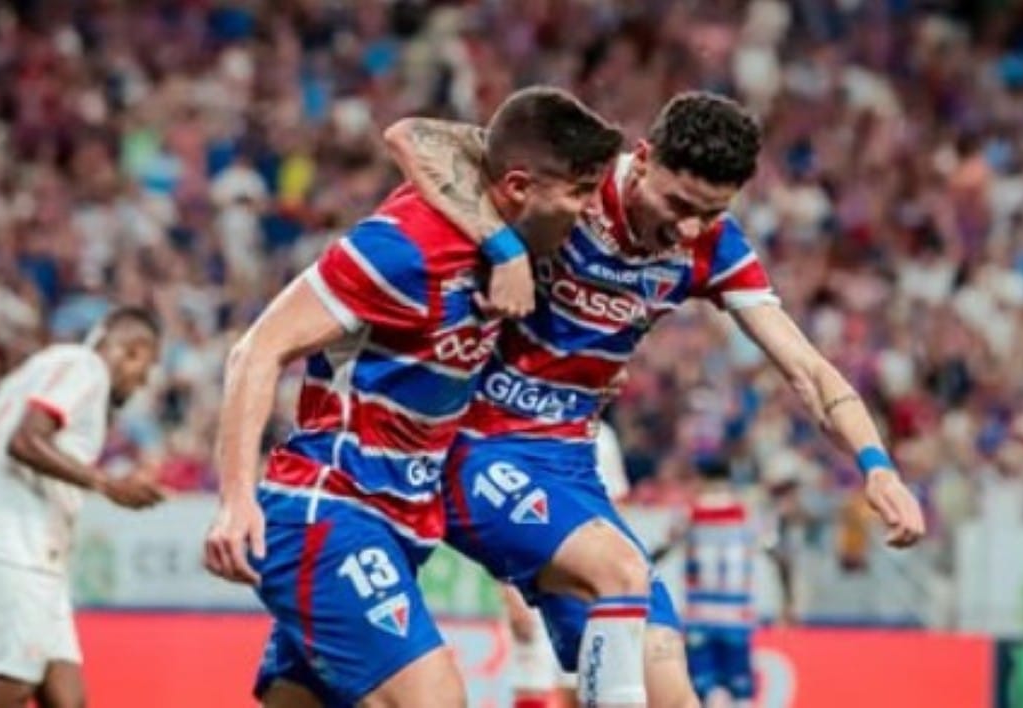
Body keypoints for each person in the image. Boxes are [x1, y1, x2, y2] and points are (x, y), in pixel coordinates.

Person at [384, 91, 925, 707]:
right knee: (621, 572)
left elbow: (807, 370)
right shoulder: (575, 178)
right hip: (473, 443)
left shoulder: (712, 247)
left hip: (569, 464)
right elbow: (411, 136)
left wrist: (876, 466)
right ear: (640, 160)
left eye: (711, 213)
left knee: (669, 691)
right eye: (679, 204)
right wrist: (504, 248)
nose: (688, 228)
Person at [201, 87, 623, 708]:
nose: (588, 212)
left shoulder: (512, 245)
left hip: (401, 524)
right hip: (331, 509)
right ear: (516, 186)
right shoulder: (404, 247)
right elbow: (256, 350)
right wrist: (237, 499)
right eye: (579, 193)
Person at [0, 306, 165, 708]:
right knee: (8, 689)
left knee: (67, 700)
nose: (142, 382)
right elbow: (24, 441)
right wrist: (106, 483)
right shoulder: (88, 368)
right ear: (134, 350)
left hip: (28, 556)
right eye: (146, 367)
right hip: (19, 554)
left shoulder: (27, 376)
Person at [505, 422, 631, 708]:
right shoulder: (518, 426)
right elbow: (503, 524)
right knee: (531, 686)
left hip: (583, 585)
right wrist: (509, 592)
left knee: (579, 684)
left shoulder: (602, 438)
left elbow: (616, 512)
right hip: (530, 580)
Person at [648, 457, 774, 708]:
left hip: (700, 616)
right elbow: (774, 550)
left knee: (704, 686)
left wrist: (645, 569)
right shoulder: (746, 511)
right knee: (740, 687)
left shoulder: (689, 512)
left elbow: (665, 546)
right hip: (736, 615)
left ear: (702, 480)